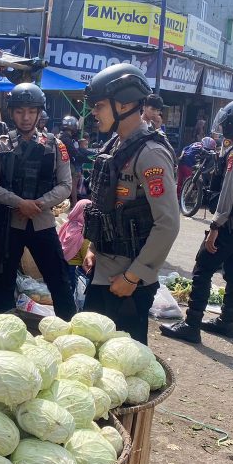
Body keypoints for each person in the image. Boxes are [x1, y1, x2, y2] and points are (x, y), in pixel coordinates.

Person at [80, 64, 180, 345]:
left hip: (127, 282)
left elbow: (168, 224)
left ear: (123, 104)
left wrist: (133, 276)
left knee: (126, 360)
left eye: (99, 106)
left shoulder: (151, 154)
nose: (94, 113)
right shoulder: (114, 146)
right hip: (104, 270)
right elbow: (105, 205)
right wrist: (93, 247)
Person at [160, 99, 233, 343]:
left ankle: (191, 325)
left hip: (230, 224)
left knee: (202, 268)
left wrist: (214, 227)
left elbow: (228, 194)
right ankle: (227, 322)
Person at [0, 82, 76, 320]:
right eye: (20, 111)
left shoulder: (56, 146)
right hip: (8, 226)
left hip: (43, 223)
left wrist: (39, 204)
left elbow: (66, 185)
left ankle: (68, 331)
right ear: (12, 113)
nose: (26, 117)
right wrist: (18, 203)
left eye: (31, 112)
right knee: (3, 282)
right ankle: (4, 330)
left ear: (39, 113)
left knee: (60, 282)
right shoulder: (0, 145)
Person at [58, 199, 91, 282]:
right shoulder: (83, 233)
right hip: (75, 270)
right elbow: (86, 257)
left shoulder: (67, 225)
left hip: (62, 264)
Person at [59, 115, 88, 204]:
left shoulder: (62, 137)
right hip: (68, 165)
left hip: (61, 164)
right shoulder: (67, 139)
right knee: (73, 186)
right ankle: (75, 204)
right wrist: (88, 160)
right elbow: (75, 153)